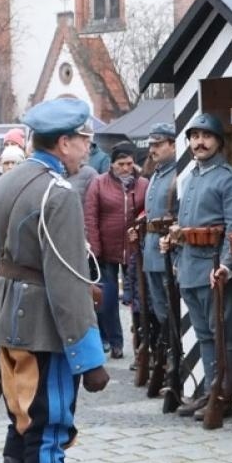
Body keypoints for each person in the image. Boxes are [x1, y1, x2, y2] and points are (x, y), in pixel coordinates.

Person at [0, 95, 112, 463]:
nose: (88, 146)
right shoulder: (58, 193)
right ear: (64, 141)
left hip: (8, 324)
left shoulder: (5, 182)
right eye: (84, 138)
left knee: (21, 430)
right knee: (49, 432)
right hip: (43, 332)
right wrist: (89, 358)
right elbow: (68, 284)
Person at [167, 112, 232, 421]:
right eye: (195, 136)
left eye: (206, 136)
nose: (200, 141)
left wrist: (225, 265)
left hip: (212, 268)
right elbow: (183, 225)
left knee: (224, 335)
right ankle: (211, 390)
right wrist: (173, 253)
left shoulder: (228, 177)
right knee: (204, 334)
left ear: (218, 142)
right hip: (189, 267)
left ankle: (224, 393)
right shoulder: (189, 178)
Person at [83, 140, 146, 360]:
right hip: (106, 250)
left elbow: (146, 212)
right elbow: (90, 216)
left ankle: (141, 343)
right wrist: (95, 247)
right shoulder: (99, 184)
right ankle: (114, 341)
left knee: (138, 298)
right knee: (107, 299)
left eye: (129, 163)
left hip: (135, 249)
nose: (125, 168)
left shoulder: (143, 185)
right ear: (112, 164)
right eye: (120, 164)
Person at [141, 125, 180, 398]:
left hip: (169, 253)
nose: (152, 150)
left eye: (158, 144)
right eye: (151, 145)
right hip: (151, 252)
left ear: (173, 144)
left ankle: (175, 368)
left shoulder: (178, 175)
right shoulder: (155, 175)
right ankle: (166, 363)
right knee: (159, 313)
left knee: (172, 316)